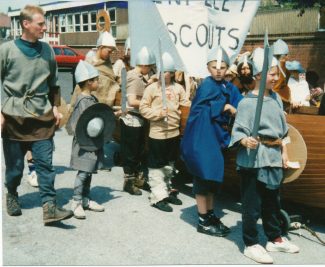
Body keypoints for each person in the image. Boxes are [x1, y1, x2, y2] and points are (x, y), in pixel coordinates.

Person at [0, 4, 73, 224]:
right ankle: (11, 193)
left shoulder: (48, 50)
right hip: (13, 117)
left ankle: (49, 207)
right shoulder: (6, 50)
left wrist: (55, 108)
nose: (45, 27)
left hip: (41, 117)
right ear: (26, 24)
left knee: (45, 165)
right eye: (41, 24)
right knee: (15, 168)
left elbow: (54, 83)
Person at [229, 48, 300, 264]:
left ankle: (274, 238)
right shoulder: (245, 103)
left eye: (276, 73)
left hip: (273, 157)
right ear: (258, 75)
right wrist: (244, 140)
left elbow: (283, 131)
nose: (276, 77)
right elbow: (237, 132)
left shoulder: (277, 99)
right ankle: (251, 243)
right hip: (254, 158)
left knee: (272, 200)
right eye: (272, 73)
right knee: (252, 203)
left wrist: (284, 154)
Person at [181, 46, 241, 237]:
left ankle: (210, 214)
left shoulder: (228, 86)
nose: (218, 70)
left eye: (222, 67)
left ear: (227, 69)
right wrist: (223, 106)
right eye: (214, 66)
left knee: (212, 179)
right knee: (203, 177)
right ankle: (202, 219)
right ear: (208, 68)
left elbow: (241, 103)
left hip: (216, 138)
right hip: (202, 138)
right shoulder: (206, 85)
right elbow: (198, 111)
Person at [139, 52, 190, 212]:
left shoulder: (178, 88)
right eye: (161, 71)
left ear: (172, 73)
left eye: (167, 71)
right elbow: (143, 108)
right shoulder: (152, 88)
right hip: (158, 133)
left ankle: (166, 190)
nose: (164, 74)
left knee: (169, 164)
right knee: (156, 166)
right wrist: (157, 114)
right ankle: (157, 197)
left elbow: (184, 105)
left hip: (173, 133)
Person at [66, 60, 105, 219]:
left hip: (92, 141)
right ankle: (76, 201)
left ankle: (85, 198)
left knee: (89, 171)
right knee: (83, 172)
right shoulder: (83, 100)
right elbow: (83, 124)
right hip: (84, 142)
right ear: (89, 82)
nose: (98, 82)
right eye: (96, 79)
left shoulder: (91, 98)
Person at [119, 46, 155, 195]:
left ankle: (138, 179)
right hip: (131, 118)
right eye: (150, 67)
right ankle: (128, 182)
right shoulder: (134, 77)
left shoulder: (138, 76)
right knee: (131, 153)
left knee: (138, 151)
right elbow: (133, 101)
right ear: (145, 65)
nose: (151, 70)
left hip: (136, 118)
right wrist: (151, 104)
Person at [70, 31, 120, 110]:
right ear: (101, 47)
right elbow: (83, 85)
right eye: (109, 51)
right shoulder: (89, 62)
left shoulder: (107, 62)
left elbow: (110, 79)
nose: (110, 54)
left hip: (106, 102)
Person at [272, 39, 291, 109]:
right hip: (273, 98)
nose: (286, 58)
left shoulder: (286, 70)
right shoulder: (272, 68)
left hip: (282, 98)